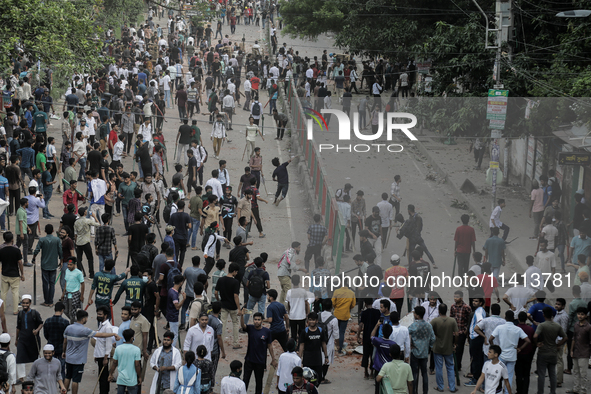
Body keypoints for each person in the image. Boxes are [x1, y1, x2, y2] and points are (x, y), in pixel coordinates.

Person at [63, 310, 119, 394]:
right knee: (75, 380)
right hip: (79, 360)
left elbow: (65, 342)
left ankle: (63, 392)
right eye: (86, 318)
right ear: (83, 319)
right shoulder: (85, 330)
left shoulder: (69, 328)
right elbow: (101, 335)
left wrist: (64, 352)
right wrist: (113, 334)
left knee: (68, 377)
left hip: (69, 358)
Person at [489, 310, 530, 394]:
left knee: (499, 375)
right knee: (509, 376)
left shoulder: (500, 328)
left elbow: (490, 339)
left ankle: (498, 391)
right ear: (514, 318)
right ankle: (508, 392)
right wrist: (520, 348)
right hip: (512, 356)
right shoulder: (517, 329)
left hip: (502, 355)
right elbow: (527, 340)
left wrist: (494, 348)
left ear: (505, 317)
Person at [239, 311, 276, 394]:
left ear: (262, 321)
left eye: (259, 319)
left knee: (259, 382)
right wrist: (242, 316)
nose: (257, 321)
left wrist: (273, 359)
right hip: (249, 360)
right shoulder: (250, 328)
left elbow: (270, 346)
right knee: (245, 381)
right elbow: (243, 326)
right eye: (255, 319)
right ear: (253, 320)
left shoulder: (267, 332)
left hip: (260, 362)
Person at [534, 307, 567, 394]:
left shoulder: (542, 325)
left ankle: (540, 392)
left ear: (543, 314)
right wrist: (558, 345)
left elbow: (535, 336)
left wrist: (537, 344)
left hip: (543, 352)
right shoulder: (557, 326)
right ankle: (553, 392)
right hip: (553, 352)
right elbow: (565, 337)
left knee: (541, 374)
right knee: (552, 374)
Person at [32, 224, 62, 306]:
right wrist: (61, 261)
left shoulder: (42, 240)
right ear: (53, 231)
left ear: (45, 231)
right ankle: (51, 301)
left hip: (45, 265)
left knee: (45, 283)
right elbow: (60, 251)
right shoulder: (57, 240)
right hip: (53, 265)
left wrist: (33, 258)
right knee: (52, 283)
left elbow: (36, 250)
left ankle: (46, 301)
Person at [15, 295, 43, 382]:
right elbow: (18, 327)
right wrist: (16, 339)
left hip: (33, 340)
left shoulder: (35, 313)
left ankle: (38, 375)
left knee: (36, 358)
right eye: (23, 303)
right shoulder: (20, 314)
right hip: (22, 339)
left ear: (30, 303)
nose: (25, 305)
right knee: (19, 358)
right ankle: (21, 378)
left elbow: (41, 323)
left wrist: (37, 330)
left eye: (27, 303)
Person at [298, 312, 328, 388]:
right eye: (310, 320)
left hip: (317, 359)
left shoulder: (320, 331)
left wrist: (326, 356)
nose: (311, 322)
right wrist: (299, 358)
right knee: (306, 379)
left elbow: (323, 344)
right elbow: (302, 345)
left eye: (313, 320)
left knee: (318, 378)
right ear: (308, 321)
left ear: (317, 321)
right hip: (307, 359)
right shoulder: (305, 331)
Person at [215, 262, 241, 350]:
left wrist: (219, 300)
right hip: (233, 306)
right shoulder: (235, 282)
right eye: (236, 272)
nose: (236, 274)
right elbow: (236, 296)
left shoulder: (221, 280)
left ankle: (219, 342)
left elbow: (216, 292)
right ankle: (235, 343)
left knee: (222, 323)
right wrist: (239, 308)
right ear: (234, 271)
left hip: (223, 305)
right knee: (235, 323)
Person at [108, 328, 142, 393]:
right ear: (132, 338)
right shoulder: (136, 350)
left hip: (121, 379)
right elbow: (137, 365)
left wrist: (110, 374)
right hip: (132, 380)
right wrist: (140, 377)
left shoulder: (118, 348)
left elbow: (114, 363)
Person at [0, 231, 25, 315]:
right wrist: (22, 274)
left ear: (4, 239)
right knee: (15, 292)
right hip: (14, 274)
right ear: (12, 240)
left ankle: (2, 309)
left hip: (5, 274)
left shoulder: (1, 250)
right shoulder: (16, 250)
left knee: (3, 292)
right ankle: (15, 310)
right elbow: (20, 263)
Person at [43, 302, 70, 380]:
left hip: (51, 347)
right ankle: (62, 385)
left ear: (54, 309)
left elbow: (46, 334)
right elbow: (67, 337)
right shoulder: (65, 322)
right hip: (62, 348)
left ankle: (51, 383)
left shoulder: (48, 321)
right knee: (61, 368)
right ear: (62, 310)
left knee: (50, 367)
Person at [93, 306, 114, 394]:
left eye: (100, 314)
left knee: (103, 378)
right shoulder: (101, 325)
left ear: (105, 315)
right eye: (98, 314)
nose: (98, 316)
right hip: (99, 355)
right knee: (101, 377)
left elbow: (108, 344)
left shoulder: (108, 327)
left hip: (103, 356)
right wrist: (96, 355)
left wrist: (106, 357)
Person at [331, 283, 356, 355]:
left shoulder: (336, 291)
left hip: (337, 314)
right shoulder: (351, 293)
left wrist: (337, 307)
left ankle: (334, 346)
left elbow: (333, 303)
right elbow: (353, 305)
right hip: (345, 315)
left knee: (335, 331)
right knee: (342, 332)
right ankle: (340, 348)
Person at [570, 307, 590, 394]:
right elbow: (573, 338)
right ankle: (576, 389)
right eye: (579, 314)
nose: (580, 316)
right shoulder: (576, 325)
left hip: (584, 353)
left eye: (582, 314)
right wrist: (571, 350)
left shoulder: (589, 327)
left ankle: (583, 390)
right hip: (576, 351)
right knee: (576, 371)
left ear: (586, 315)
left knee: (583, 374)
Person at [286, 275, 309, 341]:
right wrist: (307, 313)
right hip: (301, 315)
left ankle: (294, 347)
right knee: (302, 333)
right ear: (299, 281)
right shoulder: (303, 291)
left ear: (292, 282)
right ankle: (300, 347)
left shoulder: (289, 292)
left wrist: (289, 312)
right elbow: (306, 303)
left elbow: (288, 304)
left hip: (292, 316)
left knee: (293, 333)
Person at [167, 275, 186, 344]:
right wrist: (184, 299)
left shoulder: (171, 290)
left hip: (170, 314)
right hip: (173, 316)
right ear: (181, 283)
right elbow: (177, 307)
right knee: (174, 335)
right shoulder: (174, 294)